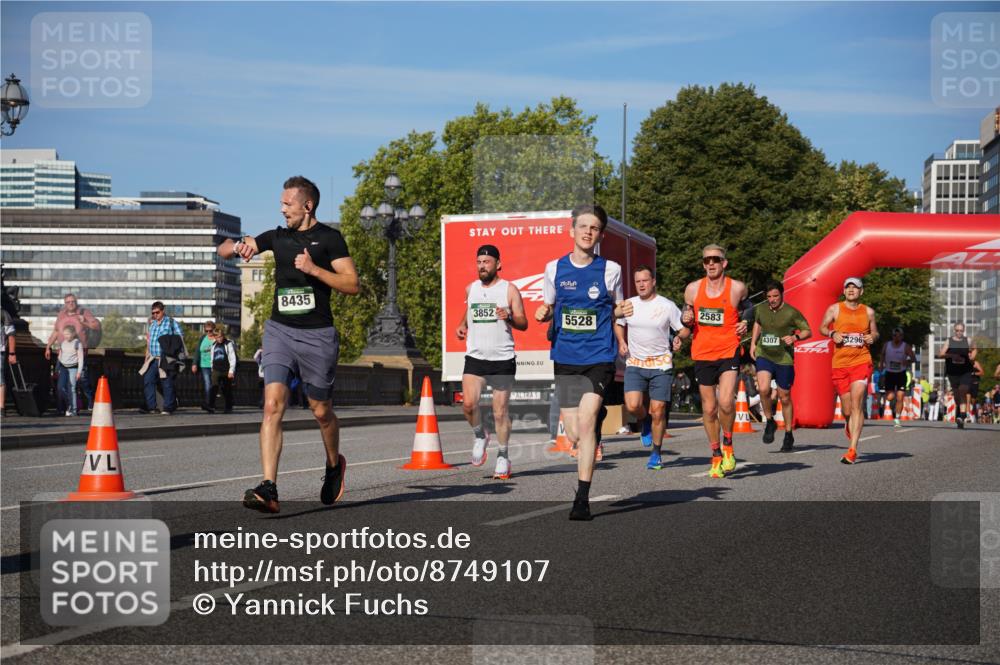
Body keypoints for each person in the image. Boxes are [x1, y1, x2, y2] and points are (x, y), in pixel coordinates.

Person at [222, 175, 359, 513]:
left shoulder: (330, 239)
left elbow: (352, 284)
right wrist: (237, 245)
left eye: (287, 204)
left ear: (307, 205)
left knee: (321, 411)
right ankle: (269, 488)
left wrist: (314, 270)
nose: (282, 209)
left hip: (318, 336)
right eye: (281, 204)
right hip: (279, 331)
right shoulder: (277, 237)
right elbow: (224, 248)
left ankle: (332, 465)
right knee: (272, 406)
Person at [535, 204, 627, 521]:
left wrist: (622, 313)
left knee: (586, 423)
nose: (588, 232)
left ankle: (582, 499)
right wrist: (544, 313)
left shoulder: (611, 270)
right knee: (574, 432)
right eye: (583, 226)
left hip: (598, 355)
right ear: (572, 230)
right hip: (565, 356)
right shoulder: (554, 269)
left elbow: (616, 308)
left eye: (594, 228)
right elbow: (549, 305)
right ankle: (596, 415)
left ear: (600, 234)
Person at [456, 244, 528, 480]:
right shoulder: (471, 288)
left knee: (500, 412)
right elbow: (469, 310)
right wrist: (462, 325)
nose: (482, 266)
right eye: (479, 262)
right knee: (468, 404)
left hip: (502, 358)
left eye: (486, 262)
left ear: (497, 264)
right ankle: (480, 435)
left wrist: (510, 317)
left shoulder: (510, 290)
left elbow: (523, 323)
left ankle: (503, 456)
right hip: (475, 356)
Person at [681, 244, 750, 478]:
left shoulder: (737, 288)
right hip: (702, 353)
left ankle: (728, 444)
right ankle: (716, 454)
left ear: (724, 263)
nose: (710, 263)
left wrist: (746, 322)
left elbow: (748, 309)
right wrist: (685, 318)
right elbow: (687, 316)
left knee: (726, 403)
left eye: (715, 260)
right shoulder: (692, 289)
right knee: (709, 409)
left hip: (729, 350)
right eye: (706, 260)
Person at [615, 265, 689, 470]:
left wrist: (678, 339)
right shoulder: (628, 304)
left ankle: (656, 453)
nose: (641, 284)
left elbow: (683, 329)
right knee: (632, 405)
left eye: (645, 280)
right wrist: (621, 341)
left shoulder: (666, 306)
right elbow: (619, 323)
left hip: (661, 364)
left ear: (653, 281)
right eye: (637, 281)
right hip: (635, 363)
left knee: (658, 411)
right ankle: (643, 419)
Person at [819, 277, 879, 464]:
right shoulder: (835, 309)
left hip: (861, 361)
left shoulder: (868, 312)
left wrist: (872, 338)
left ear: (861, 291)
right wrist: (832, 333)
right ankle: (848, 423)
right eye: (848, 287)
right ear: (844, 291)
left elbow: (875, 332)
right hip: (840, 364)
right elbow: (822, 327)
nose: (851, 290)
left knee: (857, 403)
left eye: (855, 287)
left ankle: (852, 449)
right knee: (847, 409)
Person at [749, 280, 810, 452]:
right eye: (769, 296)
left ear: (782, 295)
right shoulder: (761, 309)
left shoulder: (791, 312)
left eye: (775, 296)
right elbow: (757, 323)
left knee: (784, 396)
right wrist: (753, 344)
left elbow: (807, 330)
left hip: (784, 358)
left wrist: (795, 338)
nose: (772, 299)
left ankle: (789, 433)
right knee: (763, 389)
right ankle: (769, 421)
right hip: (764, 354)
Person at [44, 293, 98, 411]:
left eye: (73, 301)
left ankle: (90, 402)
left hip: (79, 353)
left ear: (76, 302)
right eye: (68, 302)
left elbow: (96, 326)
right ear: (65, 303)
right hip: (62, 355)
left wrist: (84, 322)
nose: (70, 303)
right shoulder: (61, 314)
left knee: (82, 380)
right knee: (61, 382)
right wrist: (48, 346)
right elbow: (56, 331)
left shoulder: (84, 312)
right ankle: (66, 406)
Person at [140, 301, 184, 415]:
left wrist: (177, 357)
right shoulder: (153, 324)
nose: (155, 315)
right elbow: (149, 343)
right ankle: (151, 407)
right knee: (148, 380)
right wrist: (146, 358)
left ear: (162, 311)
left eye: (157, 312)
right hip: (153, 358)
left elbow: (180, 340)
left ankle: (168, 407)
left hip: (166, 358)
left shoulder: (171, 323)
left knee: (167, 382)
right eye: (153, 313)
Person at [937, 323, 978, 429]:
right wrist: (952, 355)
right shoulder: (949, 341)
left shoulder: (968, 340)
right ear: (954, 330)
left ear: (963, 331)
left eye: (961, 330)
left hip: (965, 370)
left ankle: (962, 416)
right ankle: (959, 414)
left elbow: (975, 349)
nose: (959, 332)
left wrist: (972, 357)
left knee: (963, 390)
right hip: (953, 372)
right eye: (957, 330)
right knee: (957, 395)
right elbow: (941, 354)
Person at [879, 328, 917, 428]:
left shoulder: (905, 346)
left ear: (902, 336)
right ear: (892, 336)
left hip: (901, 374)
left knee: (900, 397)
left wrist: (907, 361)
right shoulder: (887, 345)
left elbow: (913, 359)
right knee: (890, 397)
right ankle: (893, 404)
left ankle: (897, 418)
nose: (896, 337)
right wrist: (881, 365)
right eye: (895, 335)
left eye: (899, 335)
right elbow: (882, 355)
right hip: (890, 374)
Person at [57, 325, 84, 416]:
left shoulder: (77, 343)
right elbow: (60, 356)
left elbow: (80, 358)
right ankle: (69, 403)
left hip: (73, 368)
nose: (66, 336)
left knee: (71, 388)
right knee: (60, 388)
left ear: (73, 334)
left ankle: (74, 410)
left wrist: (79, 372)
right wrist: (57, 368)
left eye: (68, 334)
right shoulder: (63, 343)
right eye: (64, 334)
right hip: (63, 368)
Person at [192, 321, 217, 412]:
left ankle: (212, 403)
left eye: (210, 331)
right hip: (204, 365)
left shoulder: (217, 338)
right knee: (207, 384)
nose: (208, 333)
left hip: (215, 365)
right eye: (206, 331)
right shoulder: (203, 338)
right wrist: (194, 363)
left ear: (214, 330)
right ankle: (208, 403)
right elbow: (197, 351)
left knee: (215, 385)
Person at [210, 329, 237, 414]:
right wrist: (212, 368)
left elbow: (232, 357)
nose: (220, 339)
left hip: (225, 370)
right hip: (216, 369)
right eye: (217, 337)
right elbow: (212, 357)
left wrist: (231, 371)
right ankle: (211, 405)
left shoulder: (228, 344)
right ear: (214, 337)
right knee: (214, 387)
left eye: (221, 336)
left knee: (226, 389)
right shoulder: (214, 345)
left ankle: (228, 407)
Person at [0, 307, 15, 418]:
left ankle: (1, 408)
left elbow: (11, 335)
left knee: (0, 380)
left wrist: (12, 353)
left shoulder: (3, 313)